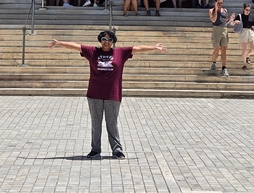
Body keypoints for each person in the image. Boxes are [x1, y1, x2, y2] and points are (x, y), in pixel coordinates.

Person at [48, 31, 166, 159]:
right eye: (104, 39)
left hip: (112, 94)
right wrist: (59, 43)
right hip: (94, 94)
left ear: (113, 41)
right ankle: (95, 150)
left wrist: (154, 47)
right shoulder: (93, 51)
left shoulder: (120, 53)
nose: (106, 41)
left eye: (109, 40)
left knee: (112, 123)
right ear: (100, 40)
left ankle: (117, 150)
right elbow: (76, 46)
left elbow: (137, 48)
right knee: (96, 123)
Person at [208, 0, 235, 77]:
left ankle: (224, 68)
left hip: (224, 29)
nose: (220, 5)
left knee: (224, 49)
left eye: (221, 3)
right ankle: (214, 62)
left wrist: (230, 19)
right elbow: (214, 19)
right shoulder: (211, 10)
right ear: (216, 3)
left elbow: (225, 21)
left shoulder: (225, 10)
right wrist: (216, 9)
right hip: (216, 29)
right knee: (217, 49)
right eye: (219, 3)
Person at [239, 3, 254, 69]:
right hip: (243, 32)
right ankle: (244, 64)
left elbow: (253, 26)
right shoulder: (240, 16)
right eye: (246, 10)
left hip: (250, 32)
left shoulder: (251, 16)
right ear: (243, 9)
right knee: (244, 49)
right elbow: (234, 23)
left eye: (249, 10)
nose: (248, 11)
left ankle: (247, 56)